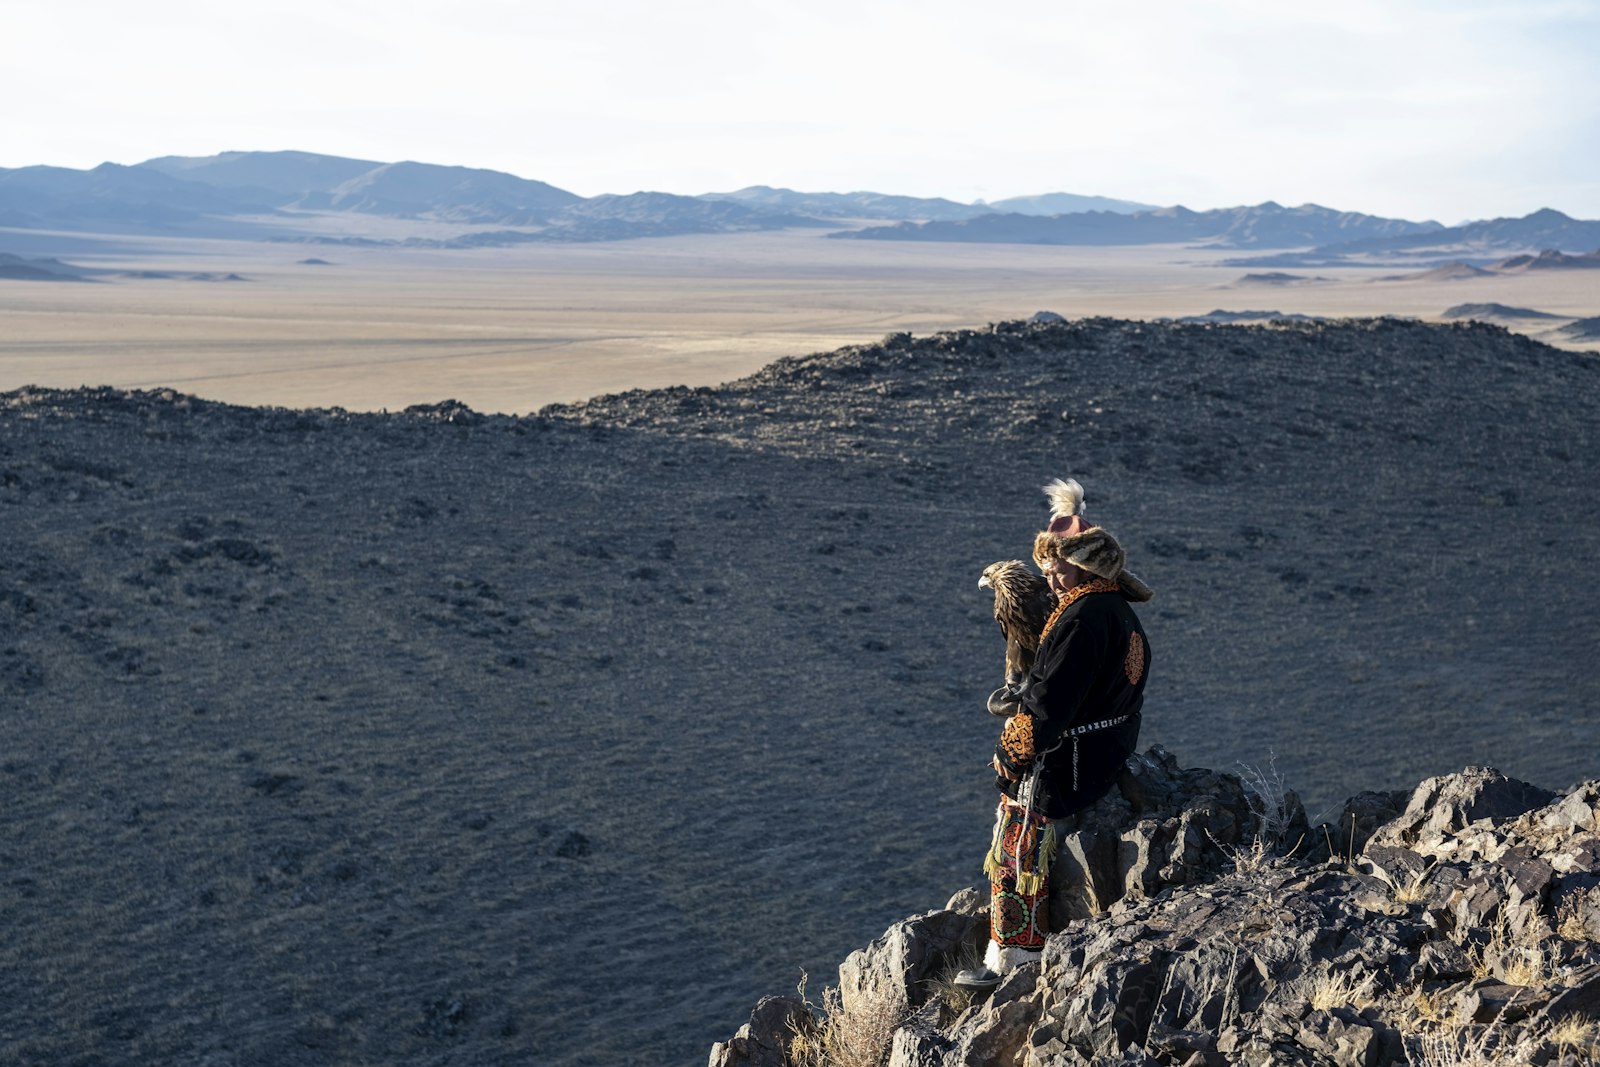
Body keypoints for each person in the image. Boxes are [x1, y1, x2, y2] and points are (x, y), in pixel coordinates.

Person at [957, 478, 1153, 988]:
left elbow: (1048, 707)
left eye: (1058, 568)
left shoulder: (1082, 619)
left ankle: (1013, 962)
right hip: (1108, 749)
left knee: (1016, 835)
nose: (1049, 579)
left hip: (1073, 761)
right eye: (1045, 569)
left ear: (1085, 565)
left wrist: (1011, 753)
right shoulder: (1113, 609)